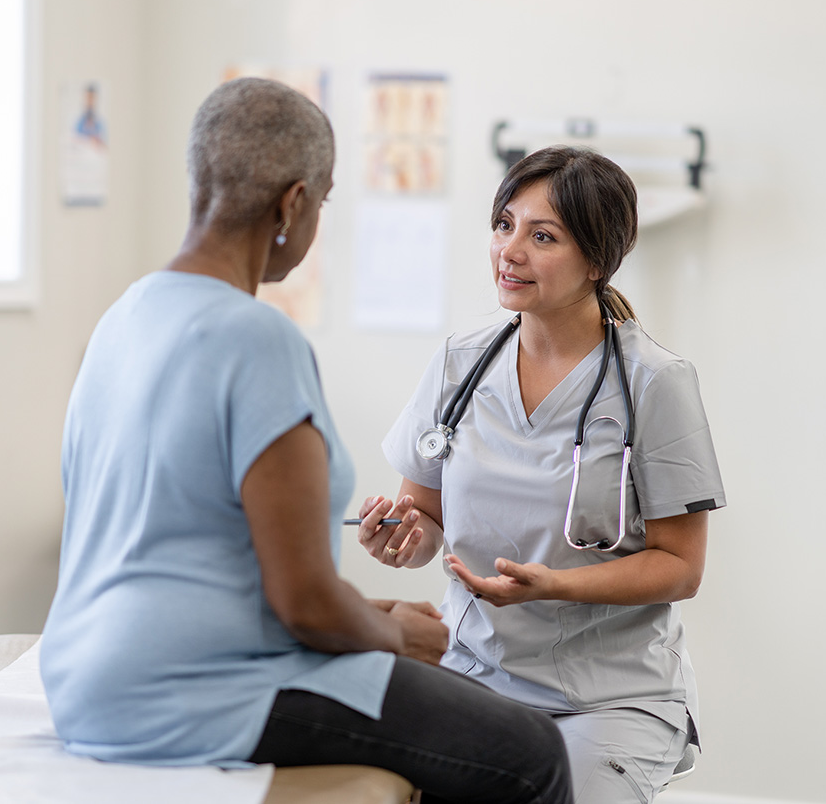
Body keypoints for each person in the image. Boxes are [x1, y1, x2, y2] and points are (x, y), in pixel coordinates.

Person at [39, 77, 573, 804]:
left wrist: (372, 612)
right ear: (292, 204)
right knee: (531, 751)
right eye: (321, 201)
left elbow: (197, 553)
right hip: (194, 692)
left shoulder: (124, 317)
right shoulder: (256, 337)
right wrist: (396, 638)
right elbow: (304, 605)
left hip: (83, 679)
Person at [356, 146, 726, 804]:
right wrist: (403, 536)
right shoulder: (457, 365)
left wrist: (553, 585)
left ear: (596, 260)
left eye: (543, 235)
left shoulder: (655, 383)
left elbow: (681, 565)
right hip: (473, 677)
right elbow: (425, 523)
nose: (510, 250)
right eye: (504, 225)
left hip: (608, 697)